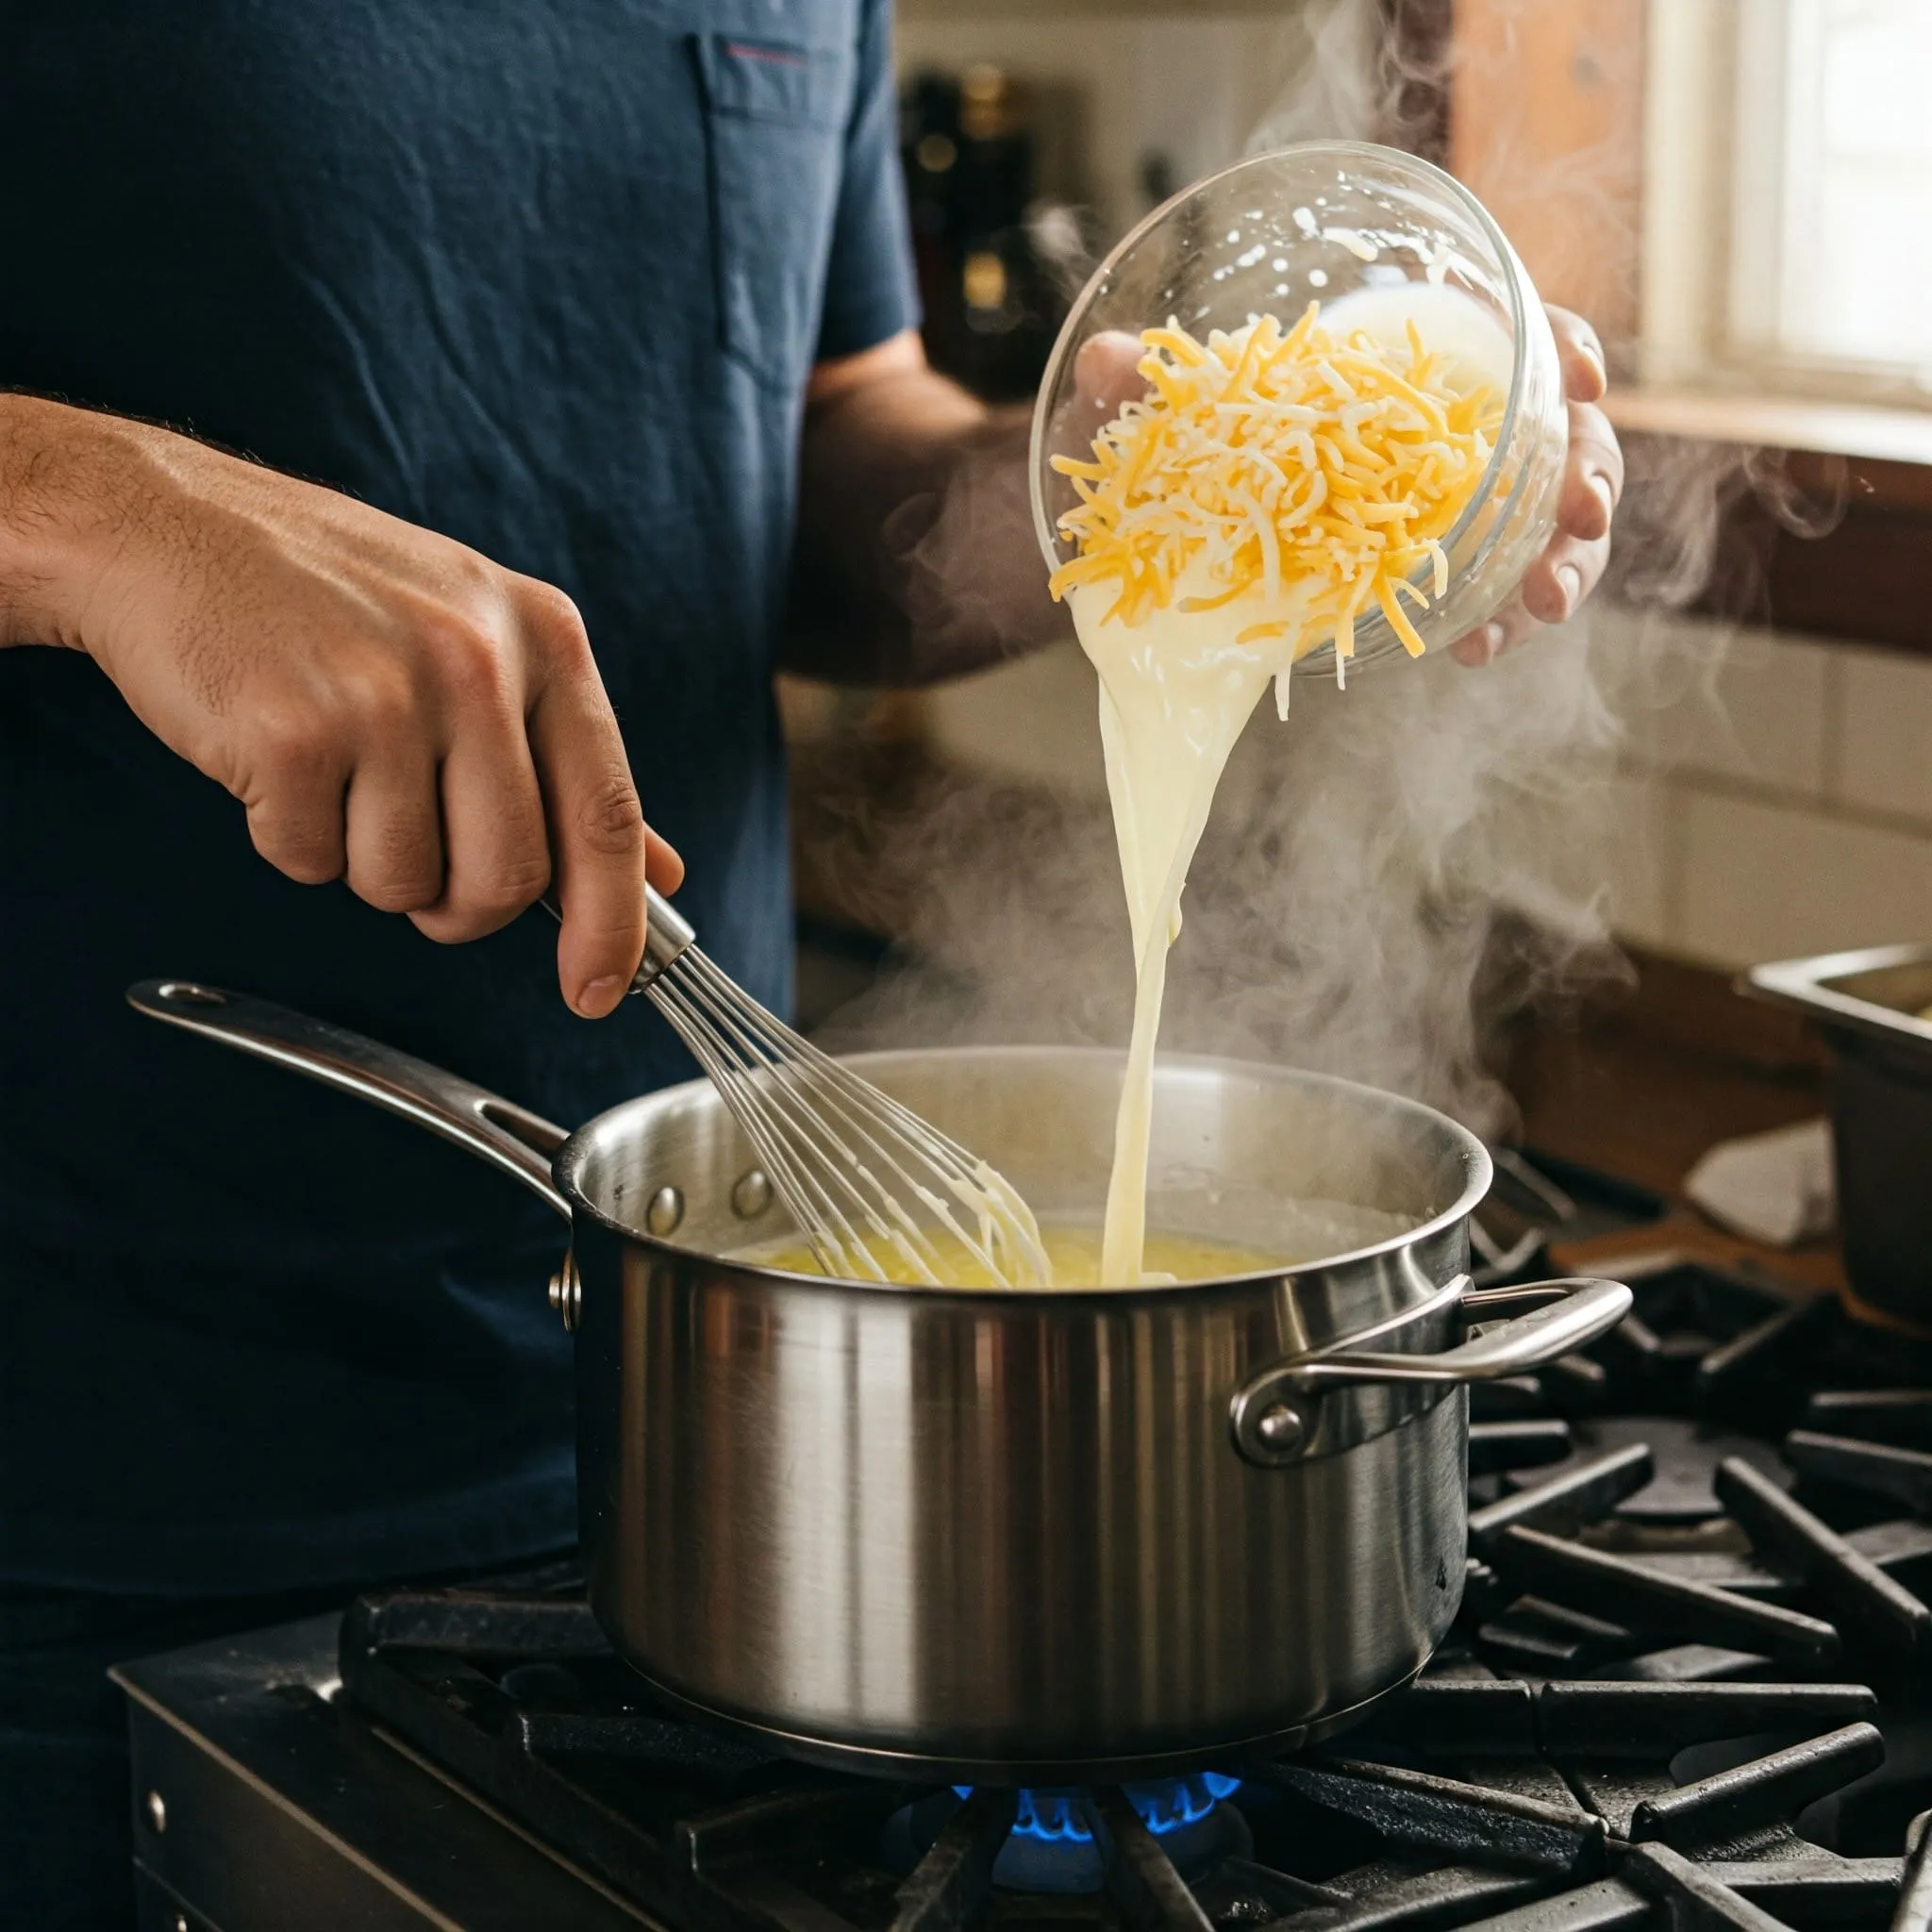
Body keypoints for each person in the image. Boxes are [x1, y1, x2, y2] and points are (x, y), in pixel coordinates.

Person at [0, 6, 1624, 1924]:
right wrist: (94, 506)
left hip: (731, 1454)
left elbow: (817, 451)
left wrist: (1155, 490)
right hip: (87, 1479)